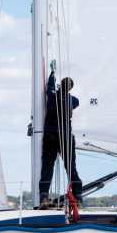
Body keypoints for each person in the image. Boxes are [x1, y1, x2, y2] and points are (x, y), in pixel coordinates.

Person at [39, 69, 81, 206]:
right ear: (70, 88)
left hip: (50, 136)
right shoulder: (72, 100)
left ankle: (44, 196)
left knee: (47, 166)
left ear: (60, 85)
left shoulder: (52, 96)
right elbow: (77, 102)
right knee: (70, 167)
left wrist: (52, 75)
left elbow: (49, 88)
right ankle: (78, 196)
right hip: (65, 136)